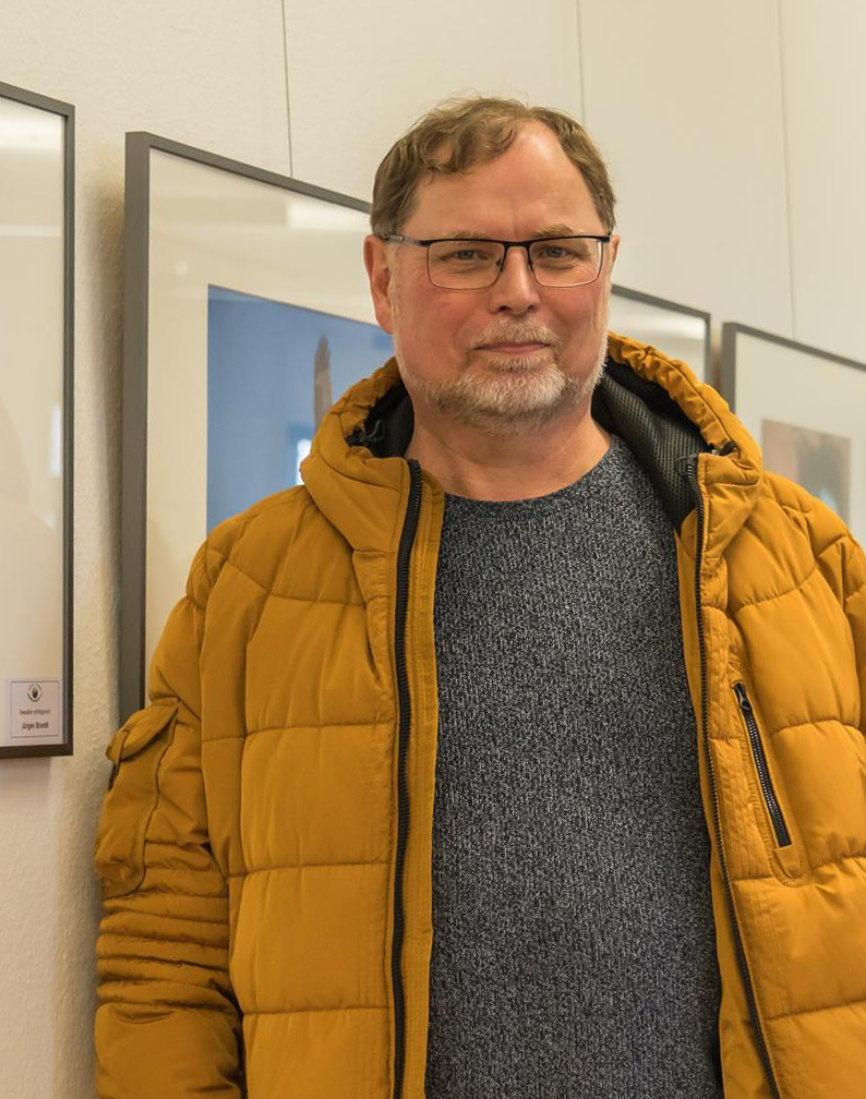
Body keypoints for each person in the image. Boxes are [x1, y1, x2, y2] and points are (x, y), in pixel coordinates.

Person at [93, 96, 866, 1099]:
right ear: (383, 279)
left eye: (557, 252)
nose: (519, 293)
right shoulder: (248, 587)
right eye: (465, 255)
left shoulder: (792, 559)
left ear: (607, 267)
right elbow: (164, 951)